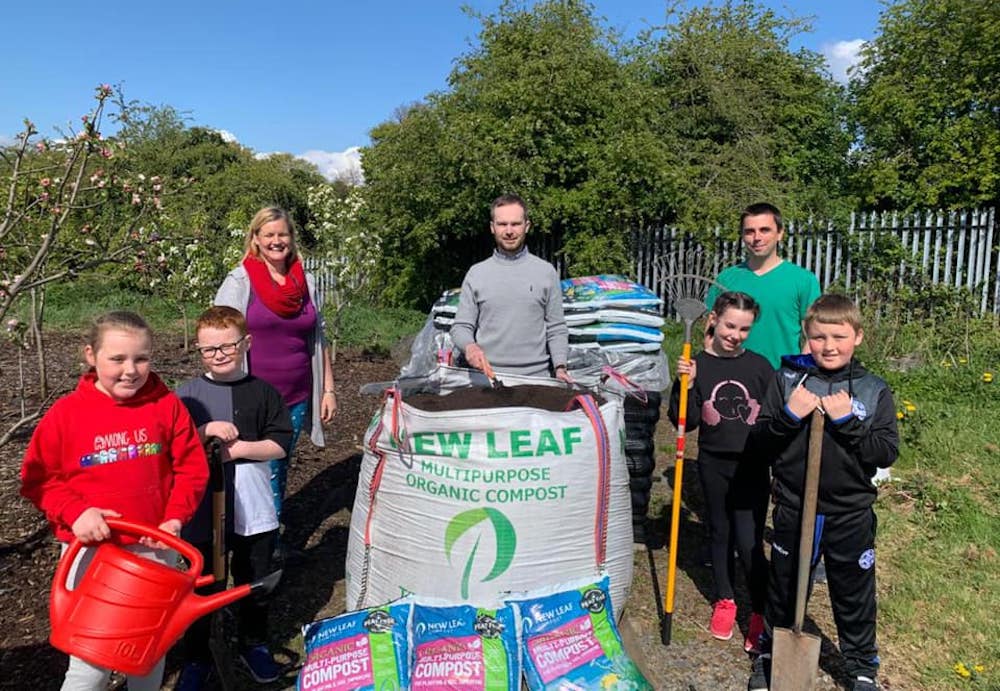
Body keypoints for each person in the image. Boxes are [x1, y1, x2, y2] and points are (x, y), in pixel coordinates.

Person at [20, 311, 207, 691]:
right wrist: (76, 512)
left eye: (141, 358)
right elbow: (37, 478)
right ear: (91, 355)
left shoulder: (166, 406)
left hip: (155, 549)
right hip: (93, 554)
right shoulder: (66, 415)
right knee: (91, 663)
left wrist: (174, 519)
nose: (131, 370)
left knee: (147, 654)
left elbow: (192, 468)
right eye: (117, 359)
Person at [746, 294, 898, 691]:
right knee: (784, 585)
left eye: (839, 336)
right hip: (796, 507)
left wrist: (848, 421)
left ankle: (862, 665)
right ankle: (770, 655)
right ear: (806, 338)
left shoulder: (872, 389)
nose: (829, 345)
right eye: (818, 337)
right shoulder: (787, 381)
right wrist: (789, 416)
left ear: (858, 337)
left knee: (853, 590)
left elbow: (885, 452)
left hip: (850, 512)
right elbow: (760, 443)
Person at [175, 306, 293, 689]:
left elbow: (279, 444)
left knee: (252, 575)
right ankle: (197, 654)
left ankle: (253, 642)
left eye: (227, 346)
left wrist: (239, 449)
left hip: (251, 503)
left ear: (246, 343)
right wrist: (205, 428)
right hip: (201, 507)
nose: (219, 355)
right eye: (209, 350)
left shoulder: (262, 392)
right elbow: (170, 444)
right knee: (202, 580)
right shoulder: (189, 395)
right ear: (198, 350)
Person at [215, 206, 336, 553]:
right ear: (255, 239)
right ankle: (252, 544)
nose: (276, 241)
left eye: (282, 234)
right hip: (252, 397)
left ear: (292, 238)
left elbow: (318, 337)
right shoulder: (240, 281)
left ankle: (268, 539)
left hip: (296, 395)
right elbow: (219, 339)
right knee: (253, 470)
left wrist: (327, 389)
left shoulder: (305, 282)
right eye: (268, 235)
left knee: (278, 467)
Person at [668, 292, 772, 652]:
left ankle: (760, 611)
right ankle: (725, 600)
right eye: (730, 325)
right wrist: (688, 385)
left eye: (744, 329)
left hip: (753, 468)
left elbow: (774, 419)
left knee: (749, 541)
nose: (736, 334)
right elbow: (687, 422)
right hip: (713, 463)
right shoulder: (697, 364)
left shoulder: (760, 368)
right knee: (720, 534)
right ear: (713, 319)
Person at [451, 193, 572, 382]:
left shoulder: (545, 272)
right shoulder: (477, 274)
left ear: (527, 226)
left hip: (536, 381)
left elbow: (556, 327)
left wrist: (560, 367)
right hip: (487, 380)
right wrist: (469, 347)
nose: (509, 231)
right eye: (502, 224)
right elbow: (461, 327)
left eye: (515, 224)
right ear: (492, 227)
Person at [707, 202, 821, 368]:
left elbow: (814, 334)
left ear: (780, 233)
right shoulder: (727, 278)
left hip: (781, 378)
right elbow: (710, 329)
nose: (757, 237)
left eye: (764, 230)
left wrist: (799, 374)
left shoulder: (803, 280)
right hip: (731, 376)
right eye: (749, 231)